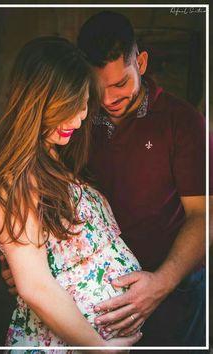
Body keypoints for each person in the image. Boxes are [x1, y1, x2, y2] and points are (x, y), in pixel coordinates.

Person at [0, 36, 143, 352]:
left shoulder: (59, 155)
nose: (77, 120)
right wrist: (98, 347)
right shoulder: (15, 173)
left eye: (83, 104)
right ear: (36, 103)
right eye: (65, 110)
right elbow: (35, 285)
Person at [76, 11, 212, 349]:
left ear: (143, 62)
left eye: (121, 83)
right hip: (100, 297)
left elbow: (204, 215)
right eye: (97, 87)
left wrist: (160, 284)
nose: (108, 99)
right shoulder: (77, 119)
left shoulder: (184, 123)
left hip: (174, 291)